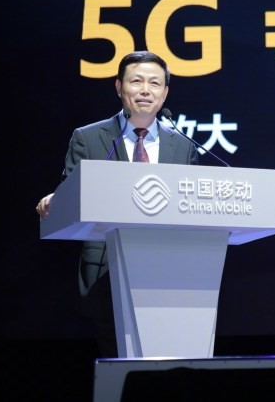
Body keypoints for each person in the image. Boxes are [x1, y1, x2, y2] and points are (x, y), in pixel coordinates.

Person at [35, 50, 199, 357]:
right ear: (119, 87)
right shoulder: (88, 137)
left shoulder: (183, 145)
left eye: (154, 83)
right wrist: (57, 198)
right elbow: (71, 194)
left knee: (166, 358)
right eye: (136, 81)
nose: (145, 90)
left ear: (165, 92)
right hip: (106, 270)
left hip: (168, 270)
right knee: (118, 356)